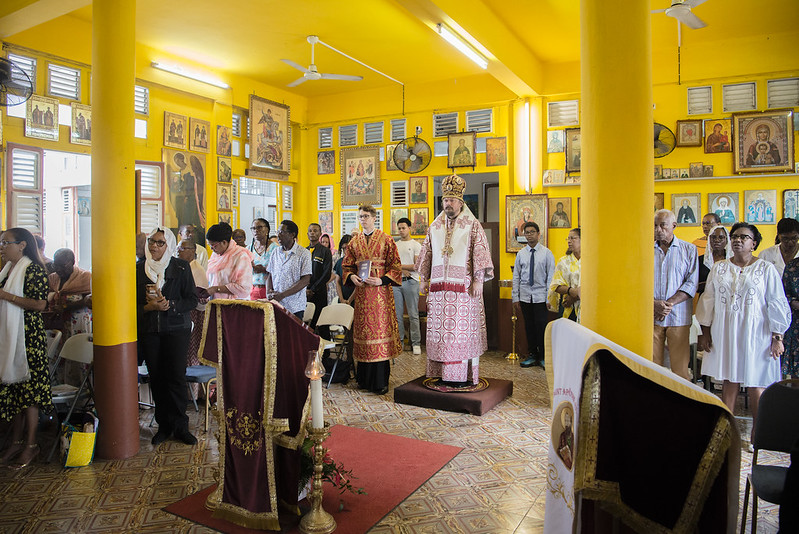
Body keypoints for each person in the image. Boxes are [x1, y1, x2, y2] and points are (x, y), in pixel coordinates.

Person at [697, 223, 790, 444]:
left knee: (757, 383)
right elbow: (707, 301)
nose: (738, 240)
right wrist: (705, 332)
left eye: (744, 237)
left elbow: (776, 303)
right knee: (729, 382)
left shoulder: (766, 269)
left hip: (757, 334)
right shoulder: (719, 268)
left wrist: (778, 338)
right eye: (735, 236)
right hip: (726, 332)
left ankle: (758, 435)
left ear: (754, 243)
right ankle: (725, 435)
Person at [416, 175, 494, 386]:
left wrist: (479, 280)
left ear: (460, 202)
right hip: (439, 291)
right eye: (444, 200)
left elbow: (480, 252)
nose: (447, 204)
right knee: (441, 334)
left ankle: (460, 377)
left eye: (451, 200)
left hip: (464, 291)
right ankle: (441, 374)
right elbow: (427, 252)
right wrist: (423, 279)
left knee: (458, 333)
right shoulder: (435, 226)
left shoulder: (472, 225)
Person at [137, 227, 198, 446]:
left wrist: (170, 305)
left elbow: (192, 299)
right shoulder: (138, 269)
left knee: (176, 377)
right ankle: (164, 425)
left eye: (160, 243)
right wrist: (148, 307)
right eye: (152, 241)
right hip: (150, 331)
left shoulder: (180, 267)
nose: (154, 246)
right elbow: (129, 306)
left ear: (169, 245)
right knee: (158, 378)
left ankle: (181, 426)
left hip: (176, 330)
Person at [0, 228, 52, 469]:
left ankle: (31, 444)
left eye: (6, 243)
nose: (2, 247)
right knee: (14, 391)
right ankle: (16, 440)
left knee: (29, 393)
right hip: (10, 336)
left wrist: (6, 297)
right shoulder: (8, 269)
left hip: (27, 338)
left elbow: (40, 304)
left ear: (22, 245)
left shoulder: (33, 269)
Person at [342, 204, 402, 394]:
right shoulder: (354, 242)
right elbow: (347, 266)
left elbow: (396, 267)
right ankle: (364, 380)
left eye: (366, 216)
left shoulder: (387, 240)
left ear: (374, 218)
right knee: (364, 336)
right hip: (361, 296)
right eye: (360, 217)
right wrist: (352, 277)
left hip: (381, 296)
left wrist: (381, 279)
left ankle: (380, 382)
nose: (363, 219)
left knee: (379, 335)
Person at [654, 209, 698, 381]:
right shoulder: (645, 250)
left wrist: (667, 304)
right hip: (651, 316)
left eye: (662, 225)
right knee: (651, 367)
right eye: (655, 225)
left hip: (678, 317)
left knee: (680, 370)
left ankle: (681, 406)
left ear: (674, 226)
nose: (658, 229)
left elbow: (691, 283)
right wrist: (653, 304)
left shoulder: (689, 250)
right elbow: (638, 281)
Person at [512, 221, 555, 368]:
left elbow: (551, 277)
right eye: (526, 232)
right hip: (525, 296)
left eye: (532, 232)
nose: (529, 235)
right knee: (529, 327)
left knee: (541, 327)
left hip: (540, 297)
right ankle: (532, 355)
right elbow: (516, 276)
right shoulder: (521, 254)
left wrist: (549, 297)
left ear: (538, 234)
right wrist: (515, 297)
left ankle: (543, 357)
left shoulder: (547, 253)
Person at [176, 238, 208, 398]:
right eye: (178, 247)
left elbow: (201, 298)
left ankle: (194, 394)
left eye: (182, 248)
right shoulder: (180, 267)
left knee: (192, 354)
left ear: (192, 251)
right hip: (182, 314)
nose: (178, 250)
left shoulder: (197, 269)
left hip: (195, 315)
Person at [265, 220, 312, 320]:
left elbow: (305, 280)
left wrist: (282, 295)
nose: (278, 235)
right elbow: (270, 274)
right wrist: (269, 292)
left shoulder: (304, 253)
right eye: (277, 232)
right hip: (276, 304)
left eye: (281, 232)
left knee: (292, 335)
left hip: (294, 306)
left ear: (292, 234)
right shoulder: (275, 252)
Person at [47, 248, 93, 338]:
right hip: (59, 321)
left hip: (79, 321)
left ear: (72, 262)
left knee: (77, 347)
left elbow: (89, 300)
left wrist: (65, 307)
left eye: (62, 266)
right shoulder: (52, 278)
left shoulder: (85, 276)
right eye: (55, 265)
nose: (58, 269)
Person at [394, 217, 423, 355]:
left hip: (411, 282)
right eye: (399, 228)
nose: (401, 230)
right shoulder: (395, 245)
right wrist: (401, 269)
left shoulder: (416, 245)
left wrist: (400, 267)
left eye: (403, 228)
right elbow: (391, 265)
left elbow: (416, 266)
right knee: (397, 315)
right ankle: (399, 342)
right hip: (396, 283)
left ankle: (416, 343)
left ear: (409, 228)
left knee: (413, 314)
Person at [205, 223, 253, 300]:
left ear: (224, 242)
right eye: (209, 245)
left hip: (235, 305)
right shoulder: (215, 255)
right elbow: (211, 280)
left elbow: (244, 289)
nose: (211, 249)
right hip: (216, 302)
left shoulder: (240, 256)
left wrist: (216, 289)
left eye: (213, 245)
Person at [548, 228, 581, 322]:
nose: (569, 241)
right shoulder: (563, 262)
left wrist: (574, 297)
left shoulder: (589, 260)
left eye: (573, 238)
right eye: (568, 239)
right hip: (567, 306)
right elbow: (555, 285)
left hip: (586, 307)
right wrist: (571, 291)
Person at [306, 223, 332, 328]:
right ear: (307, 234)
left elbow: (326, 274)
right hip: (305, 292)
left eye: (315, 231)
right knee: (308, 323)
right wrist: (305, 289)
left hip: (319, 291)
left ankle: (323, 343)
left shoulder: (325, 251)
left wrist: (313, 289)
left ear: (320, 234)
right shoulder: (304, 251)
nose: (312, 233)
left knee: (321, 322)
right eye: (310, 231)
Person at [697, 225, 732, 296]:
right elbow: (694, 286)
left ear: (727, 240)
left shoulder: (733, 260)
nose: (717, 240)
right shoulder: (700, 260)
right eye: (713, 237)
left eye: (721, 237)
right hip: (706, 299)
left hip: (727, 298)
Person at [248, 218, 278, 300]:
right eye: (253, 228)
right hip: (252, 289)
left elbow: (280, 270)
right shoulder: (248, 249)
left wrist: (265, 269)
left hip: (270, 290)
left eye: (259, 227)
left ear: (267, 230)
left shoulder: (275, 249)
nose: (256, 230)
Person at [783, 257, 799, 378]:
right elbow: (783, 293)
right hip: (796, 324)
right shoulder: (792, 266)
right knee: (796, 372)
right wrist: (793, 302)